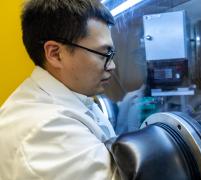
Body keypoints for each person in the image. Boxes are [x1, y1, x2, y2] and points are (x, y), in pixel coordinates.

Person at [0, 0, 120, 179]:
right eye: (104, 54)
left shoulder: (73, 97)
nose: (112, 66)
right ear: (55, 54)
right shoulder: (45, 129)